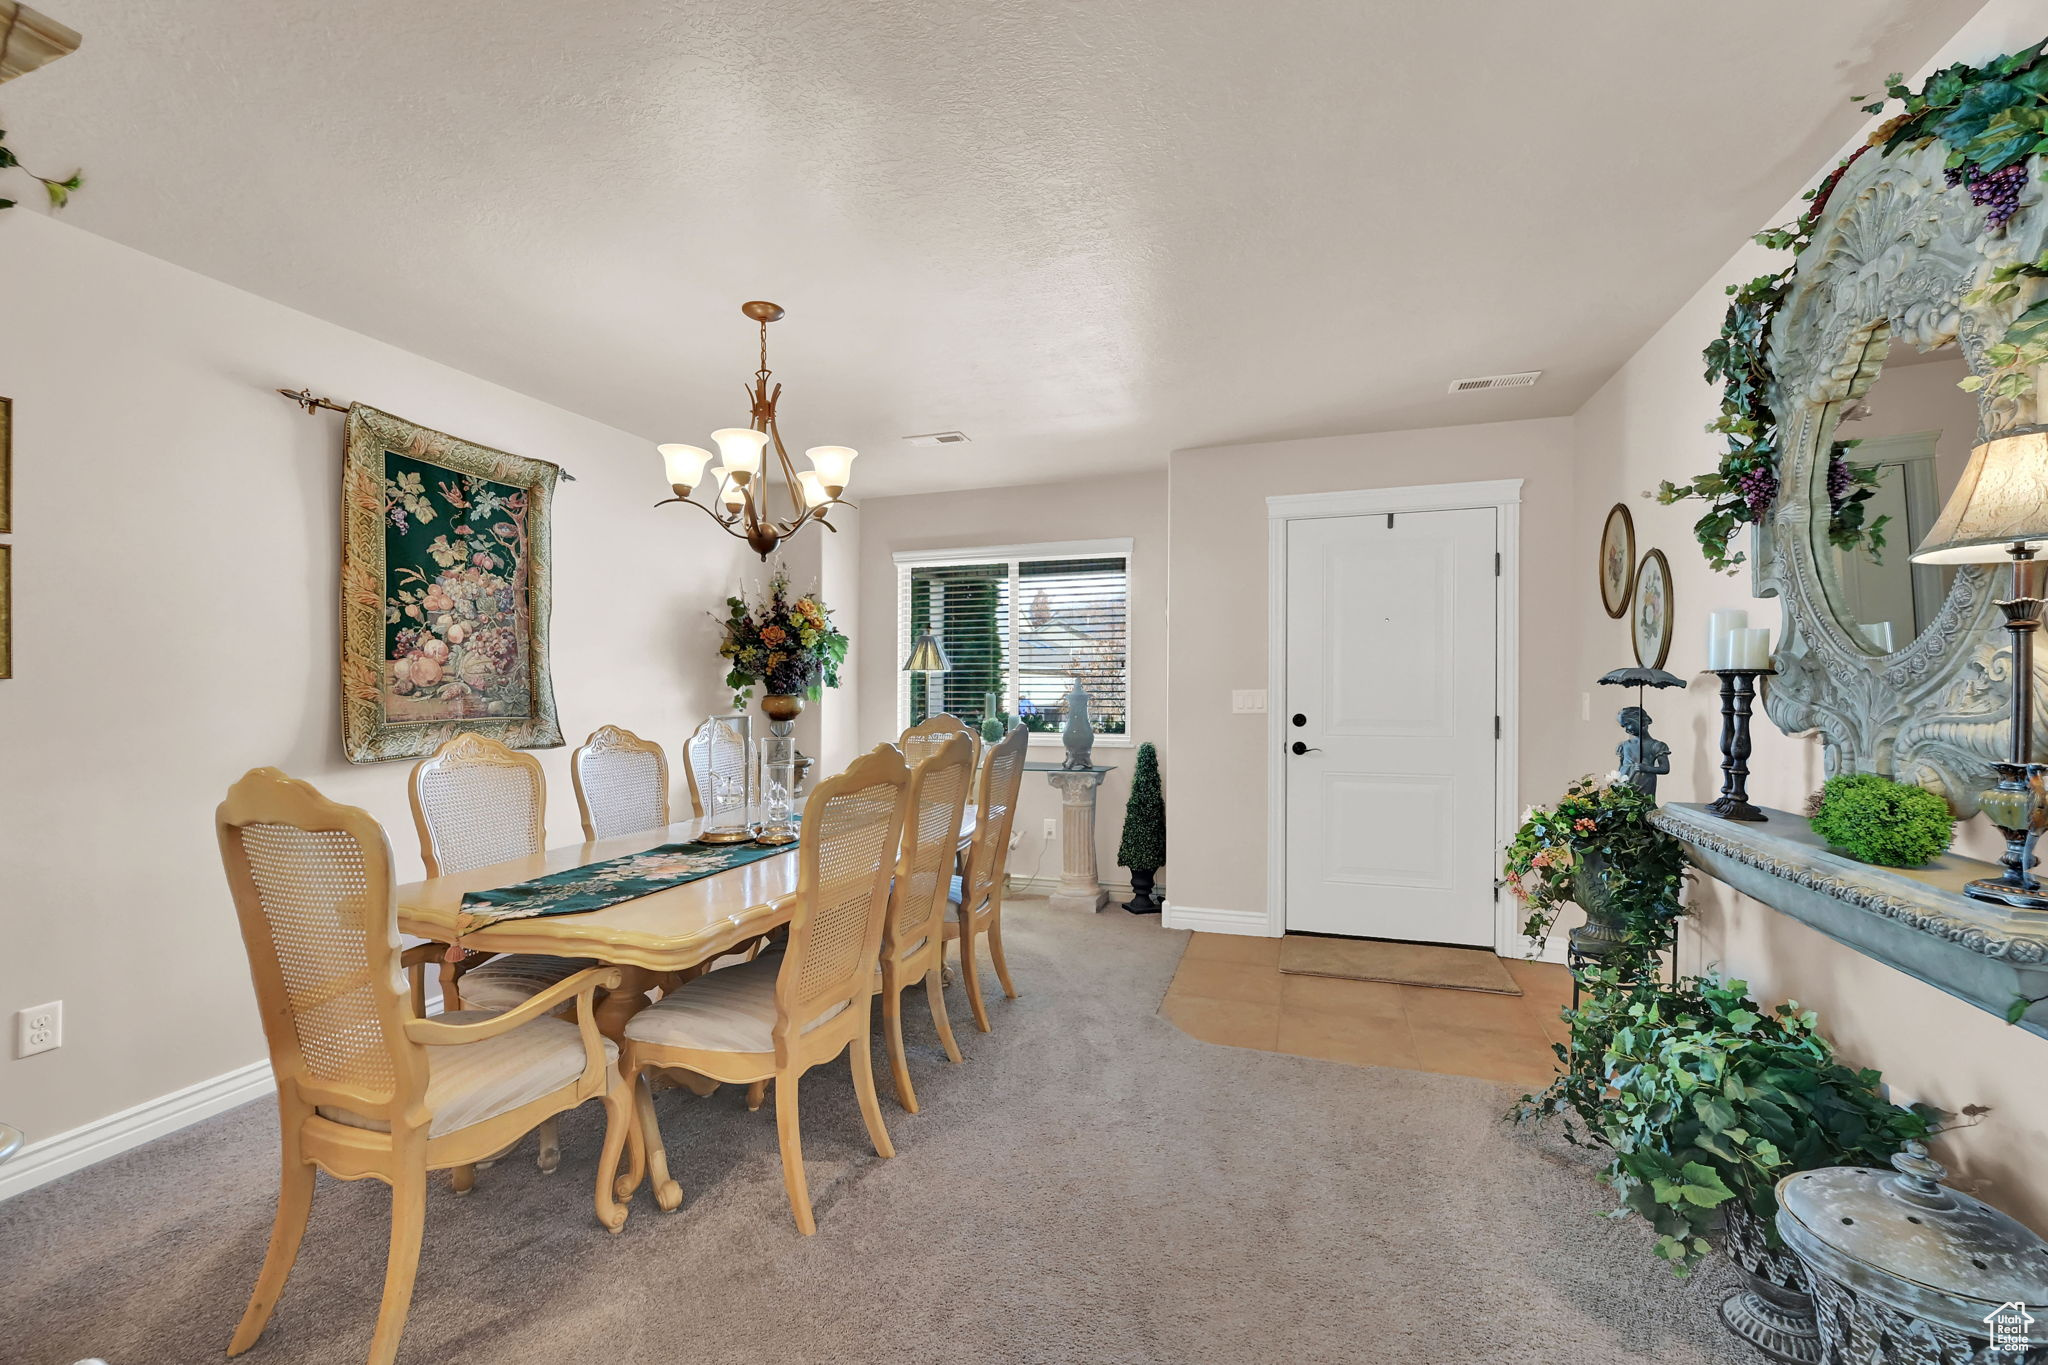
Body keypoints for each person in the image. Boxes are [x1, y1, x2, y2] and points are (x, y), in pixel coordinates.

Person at [1616, 705, 1670, 799]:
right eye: (1623, 726)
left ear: (1640, 720)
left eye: (1628, 724)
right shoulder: (1624, 745)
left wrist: (1647, 768)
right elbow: (1621, 766)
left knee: (1642, 806)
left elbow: (1665, 768)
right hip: (1625, 784)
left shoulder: (1656, 745)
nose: (1626, 729)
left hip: (1644, 784)